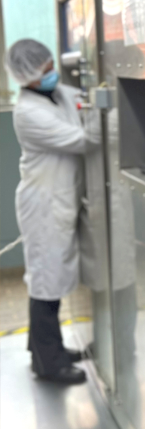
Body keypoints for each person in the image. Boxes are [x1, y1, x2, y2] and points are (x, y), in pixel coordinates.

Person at [4, 39, 99, 384]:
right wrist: (109, 119)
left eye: (49, 66)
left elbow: (80, 99)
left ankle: (45, 350)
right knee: (46, 285)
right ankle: (49, 364)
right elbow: (81, 140)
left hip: (57, 200)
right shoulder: (28, 112)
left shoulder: (53, 92)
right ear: (26, 76)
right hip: (42, 205)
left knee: (50, 280)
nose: (51, 73)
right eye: (43, 70)